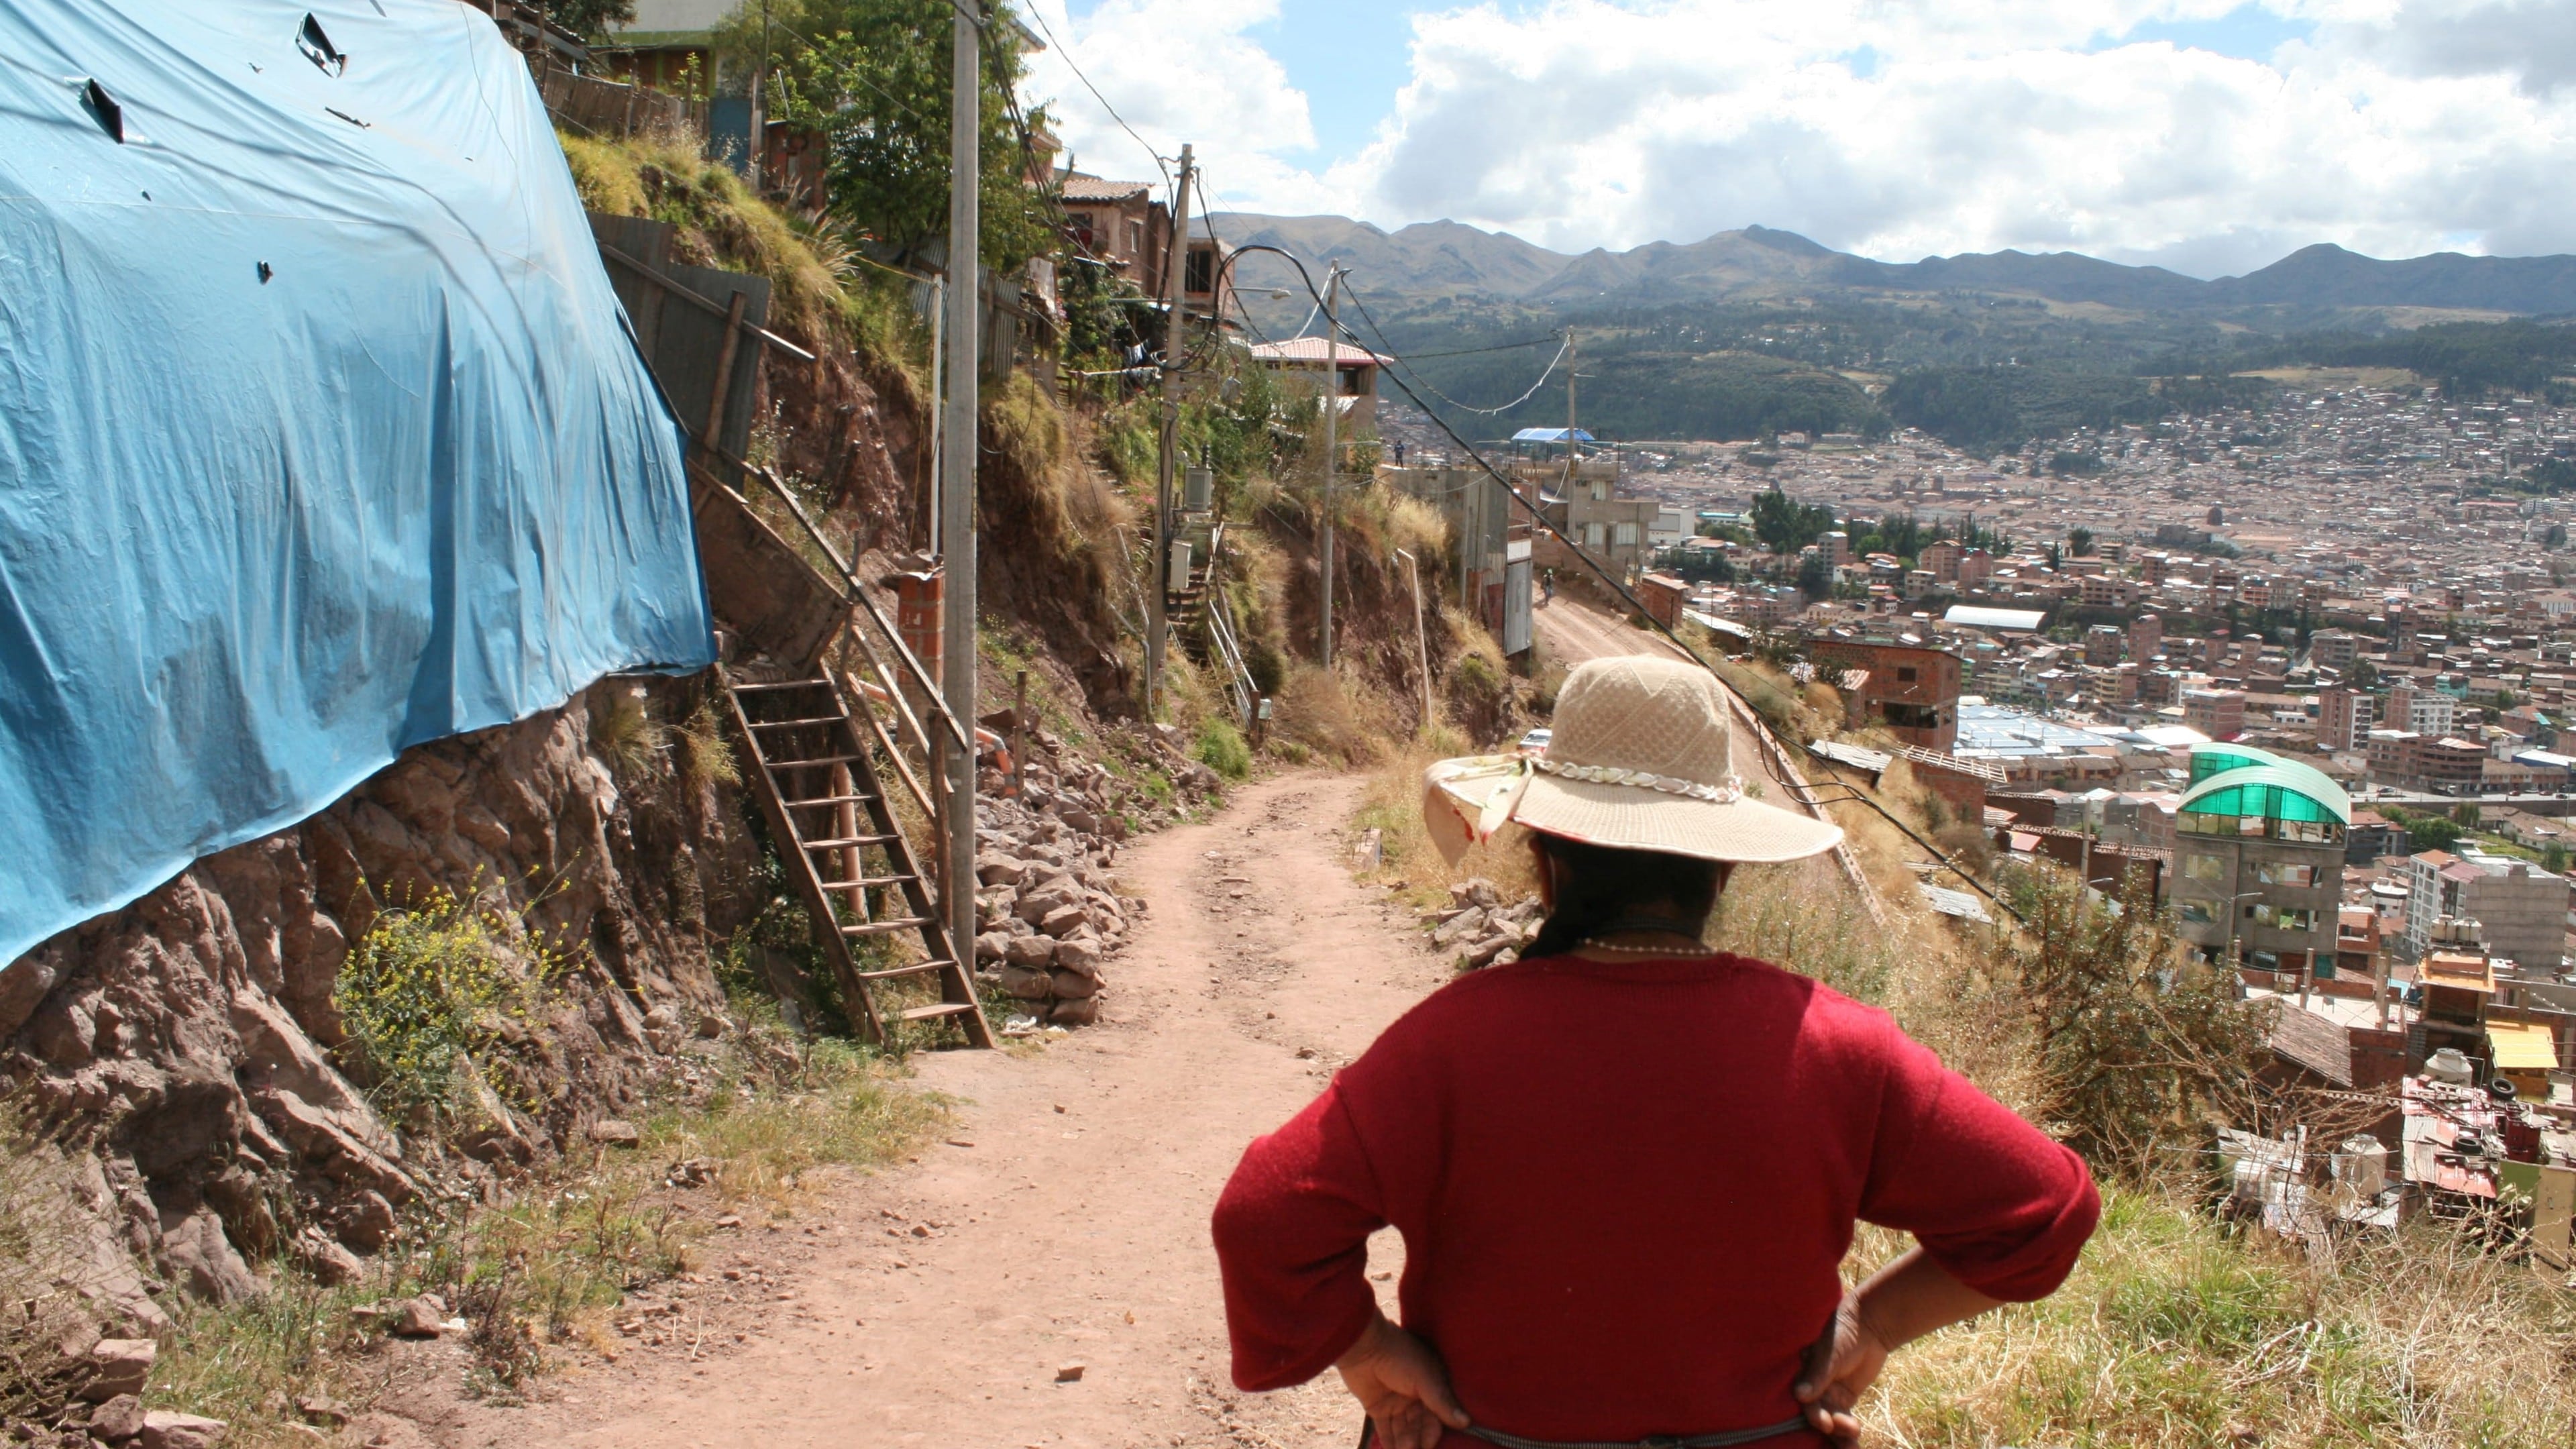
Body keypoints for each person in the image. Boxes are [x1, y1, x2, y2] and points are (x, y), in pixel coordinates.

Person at [1210, 656, 2100, 1449]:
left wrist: (1372, 1355)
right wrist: (1873, 1322)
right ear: (1721, 868)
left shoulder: (1447, 1044)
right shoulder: (1839, 1049)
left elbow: (1263, 1217)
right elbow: (2049, 1208)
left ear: (1548, 860)